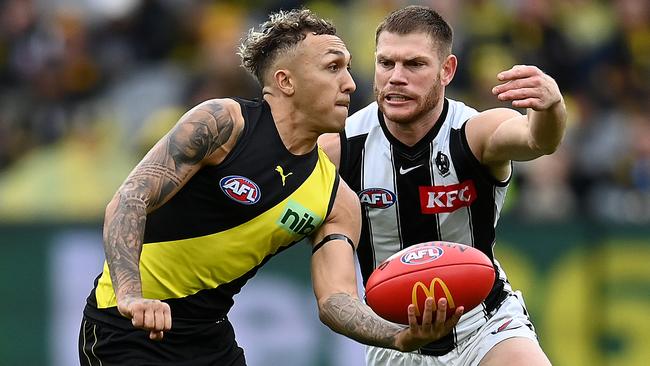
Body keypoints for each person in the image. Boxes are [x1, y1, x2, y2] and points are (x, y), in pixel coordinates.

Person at [78, 8, 462, 366]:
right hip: (126, 328)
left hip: (207, 339)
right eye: (333, 67)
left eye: (348, 68)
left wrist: (401, 336)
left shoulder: (336, 199)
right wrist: (132, 297)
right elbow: (130, 200)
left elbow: (335, 300)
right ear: (286, 81)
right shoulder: (223, 124)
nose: (350, 83)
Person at [319, 5, 567, 366]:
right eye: (386, 63)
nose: (396, 77)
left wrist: (552, 107)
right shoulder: (339, 148)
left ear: (446, 70)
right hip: (394, 337)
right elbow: (332, 294)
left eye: (414, 64)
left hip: (483, 325)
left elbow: (537, 140)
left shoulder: (473, 132)